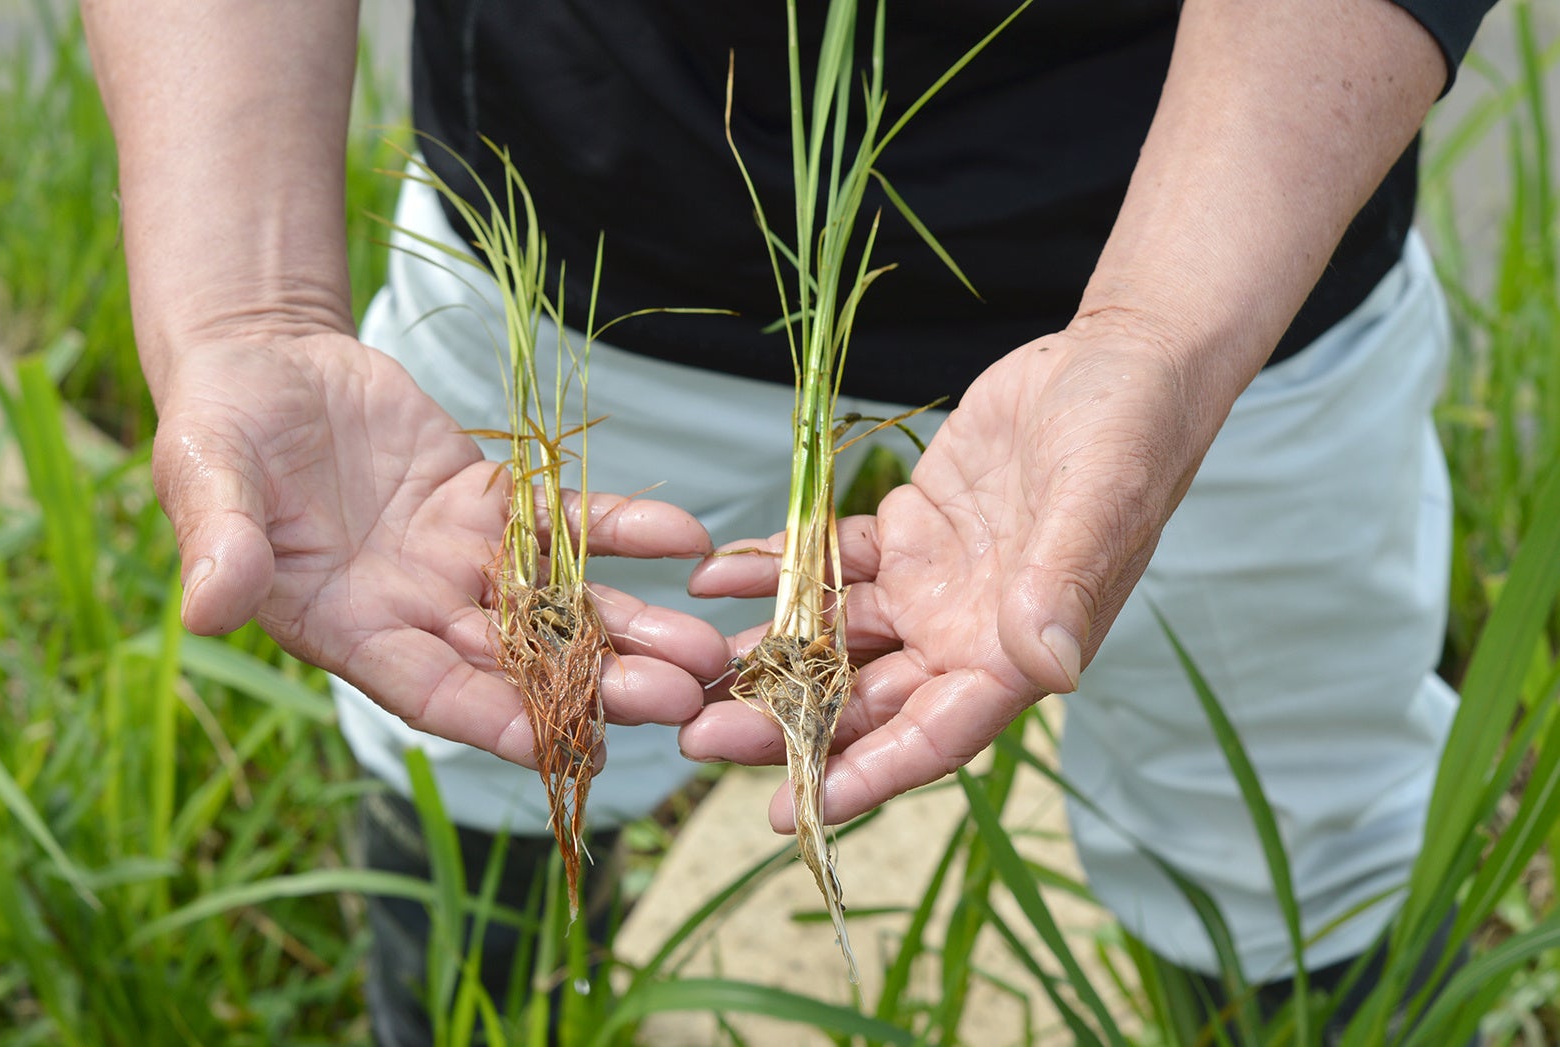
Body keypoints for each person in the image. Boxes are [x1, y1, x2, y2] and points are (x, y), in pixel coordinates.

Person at [82, 0, 1494, 1041]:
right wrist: (245, 311)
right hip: (587, 212)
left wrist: (1167, 336)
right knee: (478, 740)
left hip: (1233, 233)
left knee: (1296, 823)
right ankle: (473, 1013)